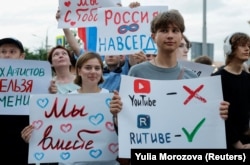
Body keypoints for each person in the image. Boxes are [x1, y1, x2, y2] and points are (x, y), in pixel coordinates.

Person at [109, 10, 229, 162]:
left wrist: (218, 114)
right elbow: (126, 122)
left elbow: (203, 124)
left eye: (175, 30)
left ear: (181, 37)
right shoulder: (137, 72)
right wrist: (117, 113)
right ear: (153, 36)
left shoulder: (192, 78)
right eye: (164, 30)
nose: (170, 35)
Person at [21, 52, 120, 165]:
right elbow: (54, 131)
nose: (93, 71)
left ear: (102, 71)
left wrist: (118, 116)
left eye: (97, 68)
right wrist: (35, 138)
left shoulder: (114, 100)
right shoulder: (65, 100)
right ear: (79, 71)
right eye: (88, 67)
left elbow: (123, 132)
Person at [211, 32, 250, 149]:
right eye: (242, 45)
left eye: (249, 46)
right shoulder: (217, 78)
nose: (247, 49)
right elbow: (217, 115)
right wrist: (237, 144)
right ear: (229, 49)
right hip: (227, 143)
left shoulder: (248, 78)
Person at [0, 37, 30, 165]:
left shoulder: (35, 79)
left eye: (12, 52)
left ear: (21, 56)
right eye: (3, 51)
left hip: (23, 141)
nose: (7, 55)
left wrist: (50, 92)